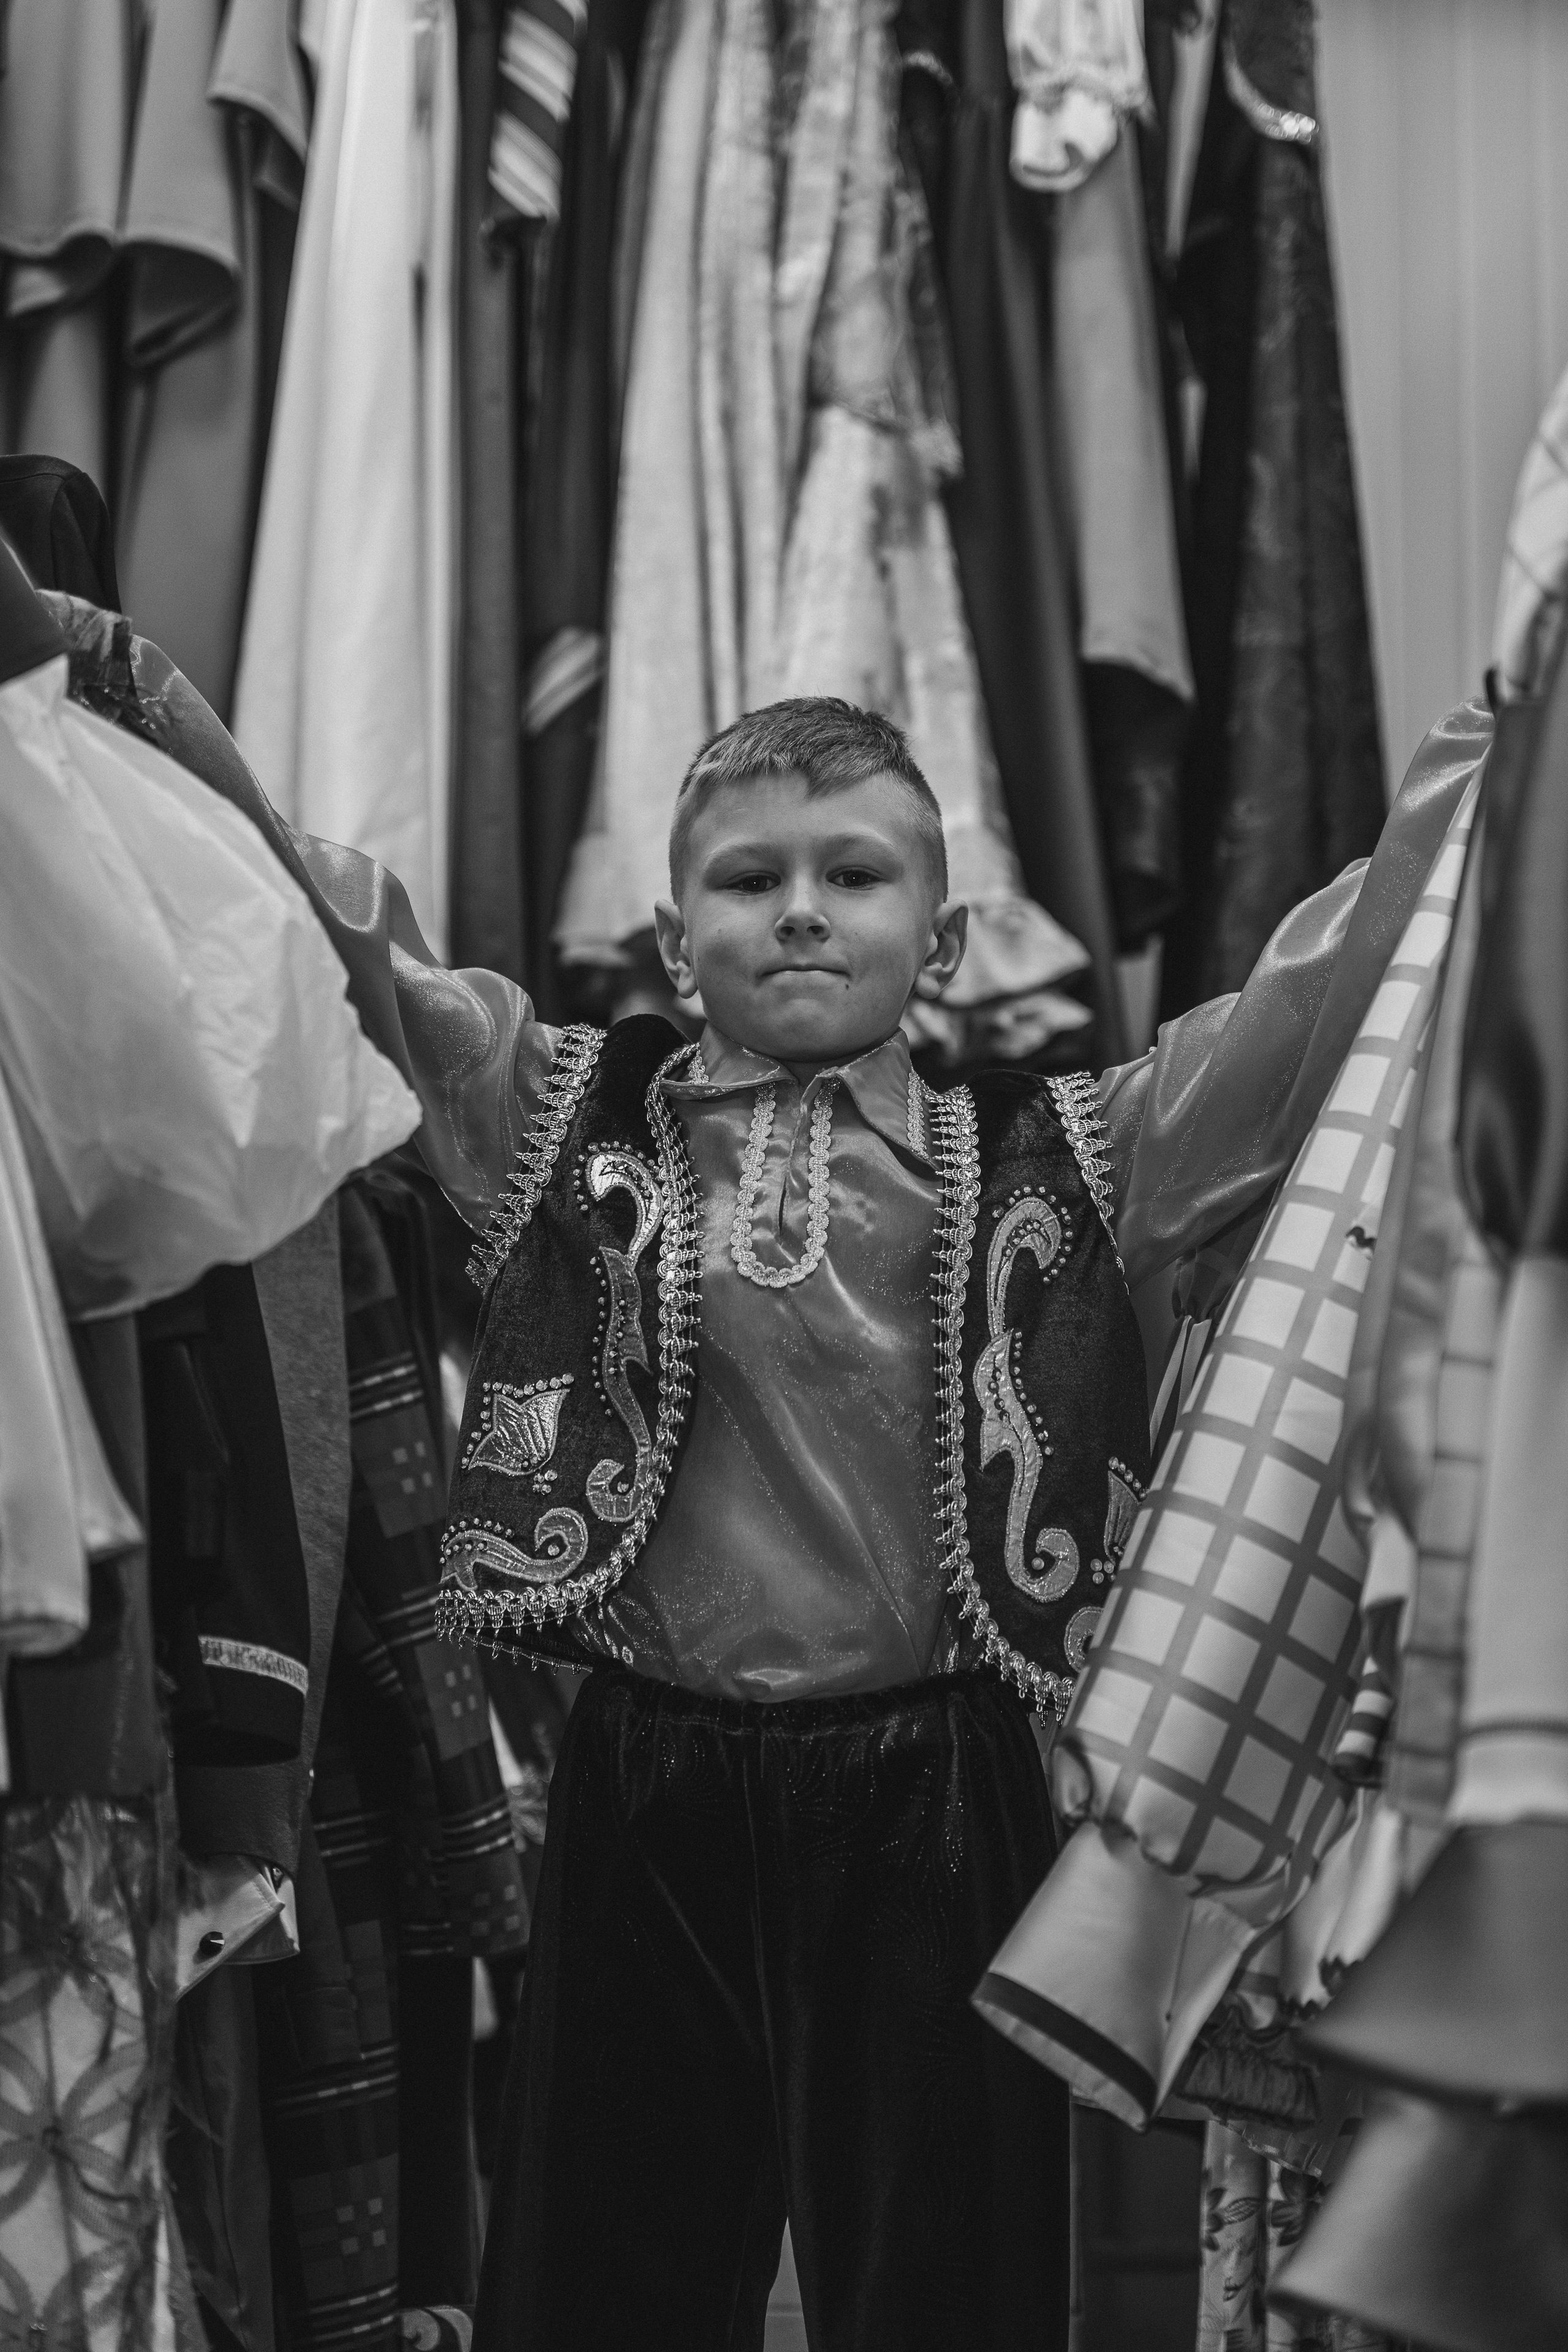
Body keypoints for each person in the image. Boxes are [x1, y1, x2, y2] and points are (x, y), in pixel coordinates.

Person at [447, 696, 1149, 2350]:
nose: (805, 912)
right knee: (603, 2271)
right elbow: (353, 950)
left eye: (854, 874)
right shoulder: (563, 1119)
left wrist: (1483, 781)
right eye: (751, 880)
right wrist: (128, 690)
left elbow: (1303, 1022)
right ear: (676, 939)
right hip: (648, 1778)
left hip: (941, 1793)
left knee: (947, 2280)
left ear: (949, 934)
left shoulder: (1068, 1147)